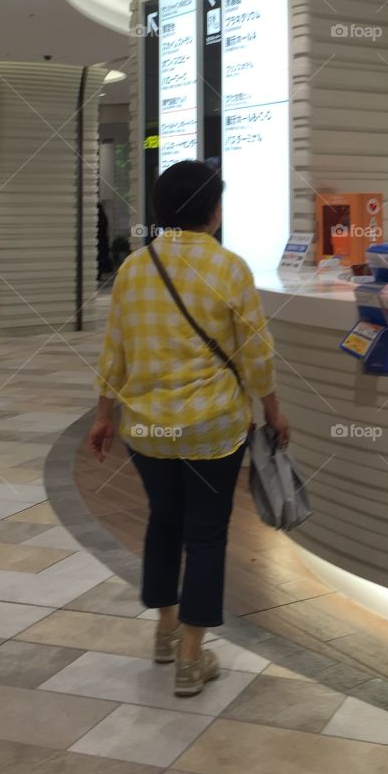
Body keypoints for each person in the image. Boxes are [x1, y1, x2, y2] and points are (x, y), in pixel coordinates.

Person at [88, 159, 289, 696]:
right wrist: (272, 409)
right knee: (205, 535)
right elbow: (256, 355)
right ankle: (192, 657)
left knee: (163, 522)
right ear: (212, 211)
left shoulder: (133, 268)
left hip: (147, 431)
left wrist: (104, 413)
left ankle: (164, 630)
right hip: (212, 430)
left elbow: (116, 349)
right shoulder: (229, 268)